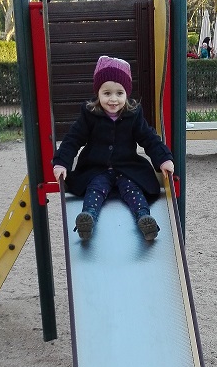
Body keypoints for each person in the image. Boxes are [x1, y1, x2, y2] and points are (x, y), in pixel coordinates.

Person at [52, 56, 174, 241]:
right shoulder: (90, 114)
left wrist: (163, 159)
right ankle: (88, 218)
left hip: (127, 168)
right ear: (98, 93)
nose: (113, 99)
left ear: (127, 94)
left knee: (133, 189)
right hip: (97, 169)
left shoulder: (133, 115)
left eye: (119, 93)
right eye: (107, 93)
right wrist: (61, 163)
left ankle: (144, 218)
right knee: (95, 189)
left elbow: (149, 138)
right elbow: (73, 139)